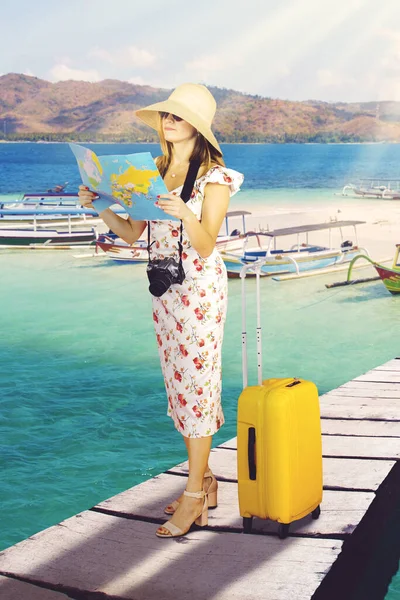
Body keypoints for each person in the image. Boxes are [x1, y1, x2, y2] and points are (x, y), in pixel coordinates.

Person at [78, 83, 244, 538]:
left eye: (178, 116)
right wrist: (102, 206)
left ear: (198, 127)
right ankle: (205, 481)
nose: (168, 122)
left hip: (200, 293)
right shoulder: (153, 170)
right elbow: (132, 234)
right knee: (179, 386)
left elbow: (208, 244)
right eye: (166, 116)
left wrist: (184, 213)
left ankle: (193, 496)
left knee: (198, 385)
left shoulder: (216, 178)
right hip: (164, 292)